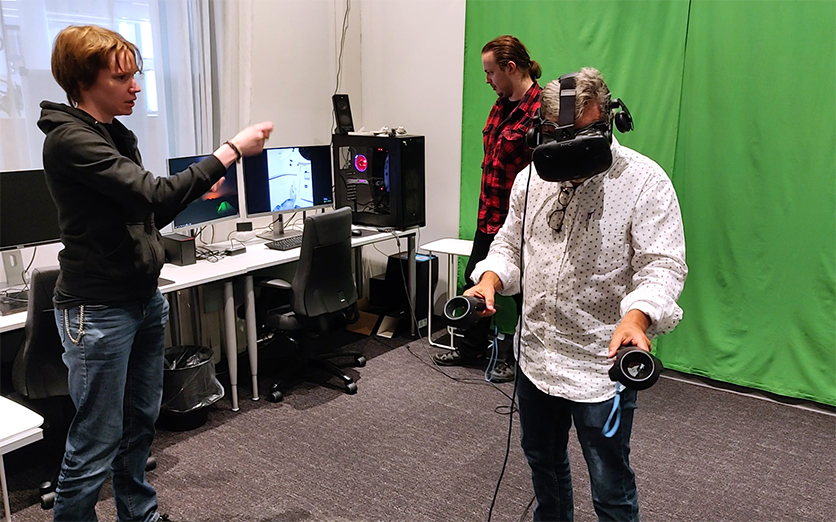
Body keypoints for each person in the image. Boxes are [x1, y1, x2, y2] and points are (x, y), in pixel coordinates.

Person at [38, 25, 273, 522]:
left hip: (142, 300)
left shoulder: (116, 135)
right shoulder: (70, 140)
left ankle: (138, 515)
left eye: (135, 76)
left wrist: (198, 184)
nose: (136, 87)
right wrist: (228, 150)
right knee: (94, 440)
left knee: (139, 426)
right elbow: (156, 195)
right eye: (122, 77)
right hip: (97, 310)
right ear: (85, 80)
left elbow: (150, 213)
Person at [465, 68, 687, 521]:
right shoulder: (531, 179)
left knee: (609, 482)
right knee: (543, 465)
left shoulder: (646, 181)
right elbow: (508, 245)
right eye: (556, 140)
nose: (568, 154)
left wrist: (638, 317)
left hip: (599, 368)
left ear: (608, 122)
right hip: (536, 359)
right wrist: (489, 278)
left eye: (583, 138)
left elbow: (662, 266)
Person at [432, 35, 541, 383]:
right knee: (476, 281)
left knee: (522, 294)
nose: (487, 79)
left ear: (511, 68)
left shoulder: (541, 112)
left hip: (522, 223)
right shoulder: (501, 104)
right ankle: (472, 349)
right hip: (489, 215)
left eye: (490, 72)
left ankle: (517, 357)